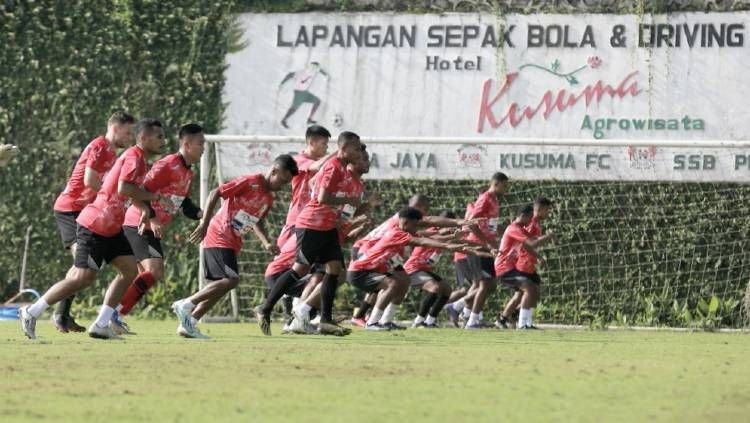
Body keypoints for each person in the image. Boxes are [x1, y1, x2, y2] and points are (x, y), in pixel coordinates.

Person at [20, 118, 169, 340]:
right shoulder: (132, 156)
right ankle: (31, 311)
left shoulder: (138, 160)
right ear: (143, 138)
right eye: (159, 137)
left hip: (112, 226)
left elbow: (129, 191)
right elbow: (123, 187)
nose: (164, 142)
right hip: (96, 223)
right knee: (82, 277)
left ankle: (100, 324)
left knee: (129, 270)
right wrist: (154, 198)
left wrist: (146, 210)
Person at [171, 154, 299, 339]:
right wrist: (204, 224)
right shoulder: (250, 182)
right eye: (283, 180)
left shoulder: (268, 199)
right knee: (231, 280)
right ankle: (186, 304)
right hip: (218, 233)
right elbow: (215, 192)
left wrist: (266, 242)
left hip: (232, 241)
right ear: (274, 171)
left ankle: (189, 323)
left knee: (224, 285)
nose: (283, 186)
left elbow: (257, 220)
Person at [255, 131, 363, 336]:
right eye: (356, 149)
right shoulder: (332, 166)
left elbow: (315, 185)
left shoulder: (339, 168)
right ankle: (265, 308)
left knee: (335, 269)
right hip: (312, 224)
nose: (358, 153)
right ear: (344, 148)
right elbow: (322, 197)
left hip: (327, 225)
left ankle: (326, 321)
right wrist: (348, 200)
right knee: (300, 269)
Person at [114, 124, 206, 333]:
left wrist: (203, 215)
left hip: (148, 227)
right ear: (186, 144)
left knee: (140, 277)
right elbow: (141, 190)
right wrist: (153, 218)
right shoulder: (168, 164)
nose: (203, 148)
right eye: (200, 144)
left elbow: (183, 204)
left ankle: (114, 315)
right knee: (154, 271)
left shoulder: (187, 173)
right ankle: (114, 314)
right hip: (137, 223)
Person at [51, 111, 136, 332]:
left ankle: (62, 314)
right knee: (83, 268)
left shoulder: (113, 154)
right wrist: (111, 196)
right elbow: (89, 180)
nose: (130, 138)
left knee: (85, 269)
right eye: (128, 133)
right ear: (115, 128)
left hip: (86, 211)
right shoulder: (100, 145)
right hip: (70, 209)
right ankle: (51, 313)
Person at [348, 207, 485, 331]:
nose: (417, 228)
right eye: (416, 225)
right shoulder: (396, 233)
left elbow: (427, 237)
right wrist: (449, 245)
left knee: (403, 282)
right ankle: (372, 323)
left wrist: (451, 239)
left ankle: (385, 321)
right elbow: (422, 241)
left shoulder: (405, 231)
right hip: (360, 272)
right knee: (393, 284)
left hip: (374, 268)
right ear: (406, 222)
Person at [496, 197, 554, 330]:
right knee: (530, 290)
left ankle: (509, 319)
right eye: (547, 210)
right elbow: (529, 245)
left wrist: (538, 256)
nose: (548, 213)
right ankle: (521, 322)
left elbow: (529, 244)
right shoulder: (527, 225)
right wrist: (548, 237)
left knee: (528, 291)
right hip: (516, 265)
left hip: (515, 265)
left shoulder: (525, 226)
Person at [404, 210, 462, 328]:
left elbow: (450, 240)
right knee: (435, 288)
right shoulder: (431, 231)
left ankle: (430, 321)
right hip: (412, 269)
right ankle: (418, 321)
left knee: (446, 290)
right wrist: (450, 235)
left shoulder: (445, 235)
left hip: (424, 270)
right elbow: (436, 238)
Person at [279, 62, 329, 129]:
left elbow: (319, 70)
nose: (314, 70)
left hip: (305, 92)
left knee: (317, 101)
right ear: (310, 66)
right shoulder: (302, 72)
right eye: (313, 67)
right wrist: (282, 83)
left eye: (315, 68)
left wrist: (325, 75)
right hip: (299, 92)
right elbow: (290, 74)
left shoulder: (313, 72)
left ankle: (309, 119)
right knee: (294, 108)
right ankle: (284, 120)